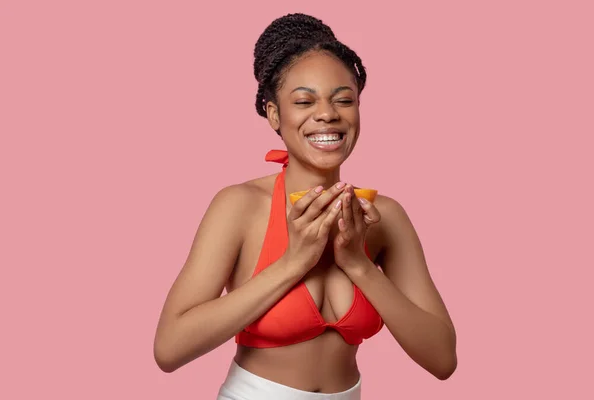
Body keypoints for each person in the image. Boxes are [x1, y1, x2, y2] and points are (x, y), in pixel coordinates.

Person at [153, 13, 457, 399]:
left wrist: (360, 265)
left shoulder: (385, 218)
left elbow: (443, 358)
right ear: (274, 114)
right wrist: (294, 262)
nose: (327, 114)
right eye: (304, 101)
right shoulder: (239, 207)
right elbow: (169, 348)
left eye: (344, 100)